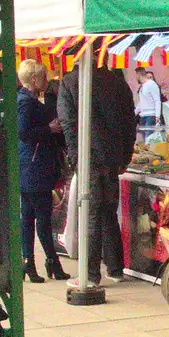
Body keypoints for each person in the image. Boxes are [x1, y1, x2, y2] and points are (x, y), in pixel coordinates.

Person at [59, 60, 136, 285]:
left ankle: (90, 275)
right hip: (112, 157)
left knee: (91, 214)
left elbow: (68, 125)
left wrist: (75, 160)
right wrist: (126, 155)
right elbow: (129, 121)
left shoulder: (70, 82)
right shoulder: (116, 82)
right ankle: (115, 268)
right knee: (108, 212)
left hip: (88, 158)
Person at [18, 60, 67, 283]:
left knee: (28, 217)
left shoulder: (26, 99)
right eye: (44, 77)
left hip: (28, 166)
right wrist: (50, 128)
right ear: (34, 79)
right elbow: (24, 132)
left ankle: (29, 262)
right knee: (42, 218)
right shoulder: (27, 102)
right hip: (36, 166)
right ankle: (51, 261)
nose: (46, 81)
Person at [135, 67, 164, 144]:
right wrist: (135, 112)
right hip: (143, 116)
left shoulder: (151, 84)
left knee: (149, 138)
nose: (136, 78)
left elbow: (157, 100)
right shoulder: (142, 86)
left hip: (150, 115)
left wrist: (157, 116)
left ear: (139, 75)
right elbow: (141, 102)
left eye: (136, 76)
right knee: (145, 138)